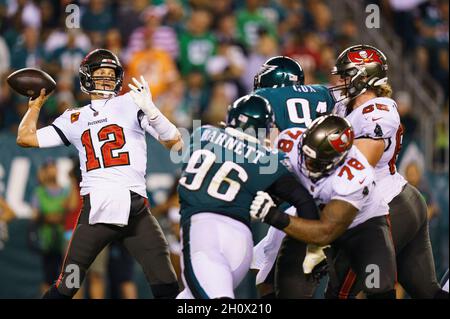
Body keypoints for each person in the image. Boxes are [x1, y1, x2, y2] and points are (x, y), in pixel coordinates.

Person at [16, 48, 182, 299]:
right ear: (87, 77)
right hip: (98, 210)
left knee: (166, 282)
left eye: (110, 73)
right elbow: (25, 138)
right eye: (100, 73)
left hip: (136, 209)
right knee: (67, 285)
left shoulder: (131, 102)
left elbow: (173, 141)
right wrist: (36, 106)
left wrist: (152, 110)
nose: (105, 77)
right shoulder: (73, 117)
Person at [329, 44, 447, 299]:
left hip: (388, 206)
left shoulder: (379, 110)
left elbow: (361, 163)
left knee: (342, 291)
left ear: (363, 77)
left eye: (345, 75)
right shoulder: (345, 107)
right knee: (427, 293)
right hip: (396, 201)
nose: (339, 81)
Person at [176, 94, 320, 299]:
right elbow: (304, 202)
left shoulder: (203, 134)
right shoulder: (269, 160)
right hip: (242, 244)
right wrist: (313, 245)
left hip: (203, 232)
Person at [251, 115, 397, 299]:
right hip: (311, 215)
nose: (306, 163)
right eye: (304, 154)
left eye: (315, 162)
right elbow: (260, 167)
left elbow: (325, 232)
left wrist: (273, 216)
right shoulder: (289, 141)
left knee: (378, 286)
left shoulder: (355, 174)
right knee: (289, 289)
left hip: (361, 225)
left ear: (338, 161)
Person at [251, 56, 335, 298]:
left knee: (268, 280)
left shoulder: (266, 99)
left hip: (293, 200)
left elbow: (263, 153)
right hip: (334, 192)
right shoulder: (323, 93)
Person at [31, 159, 69, 294]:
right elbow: (35, 215)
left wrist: (58, 217)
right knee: (48, 278)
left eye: (54, 167)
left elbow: (71, 211)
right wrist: (49, 217)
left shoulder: (66, 191)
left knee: (69, 279)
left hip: (65, 241)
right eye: (49, 167)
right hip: (47, 241)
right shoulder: (39, 192)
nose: (52, 170)